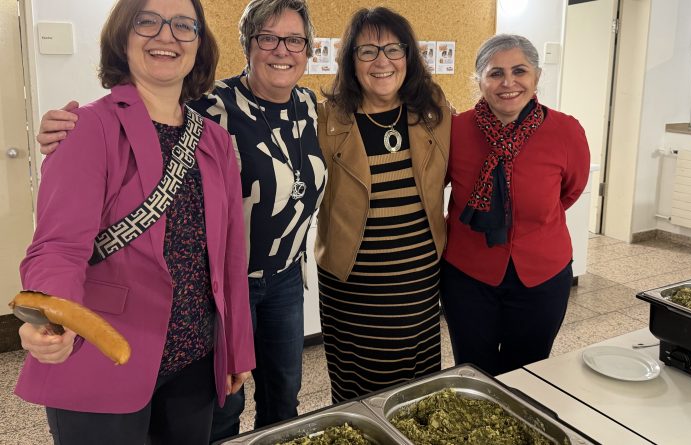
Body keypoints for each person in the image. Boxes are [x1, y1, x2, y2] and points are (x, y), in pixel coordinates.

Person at [35, 0, 325, 440]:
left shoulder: (219, 136)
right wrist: (49, 313)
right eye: (147, 22)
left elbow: (228, 253)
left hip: (196, 350)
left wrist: (235, 347)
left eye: (183, 25)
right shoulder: (92, 126)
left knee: (275, 401)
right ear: (122, 35)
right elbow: (58, 246)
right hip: (109, 348)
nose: (166, 36)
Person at [316, 7, 451, 404]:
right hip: (353, 286)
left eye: (394, 49)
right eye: (367, 51)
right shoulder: (327, 120)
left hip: (418, 280)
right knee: (361, 392)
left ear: (408, 56)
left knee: (418, 393)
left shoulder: (433, 111)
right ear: (350, 60)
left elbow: (450, 174)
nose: (382, 61)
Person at [441, 34, 590, 377]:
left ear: (536, 77)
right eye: (496, 73)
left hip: (542, 274)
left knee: (528, 372)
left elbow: (570, 191)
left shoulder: (566, 131)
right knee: (473, 370)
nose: (508, 83)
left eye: (519, 71)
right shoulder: (455, 131)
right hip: (468, 276)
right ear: (479, 80)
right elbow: (435, 184)